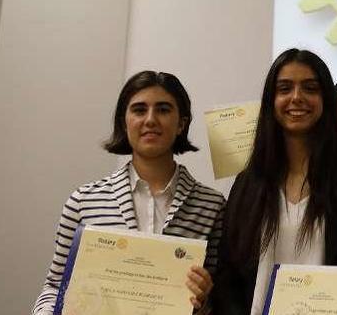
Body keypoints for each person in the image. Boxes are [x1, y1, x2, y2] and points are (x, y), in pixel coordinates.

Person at [212, 49, 337, 315]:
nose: (297, 98)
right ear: (271, 101)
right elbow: (227, 275)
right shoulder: (248, 183)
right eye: (284, 88)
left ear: (325, 99)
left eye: (310, 88)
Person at [32, 71, 225, 315]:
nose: (151, 120)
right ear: (125, 123)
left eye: (164, 110)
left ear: (182, 124)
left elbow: (220, 296)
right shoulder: (83, 201)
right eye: (139, 110)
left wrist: (206, 299)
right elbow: (55, 286)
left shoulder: (212, 205)